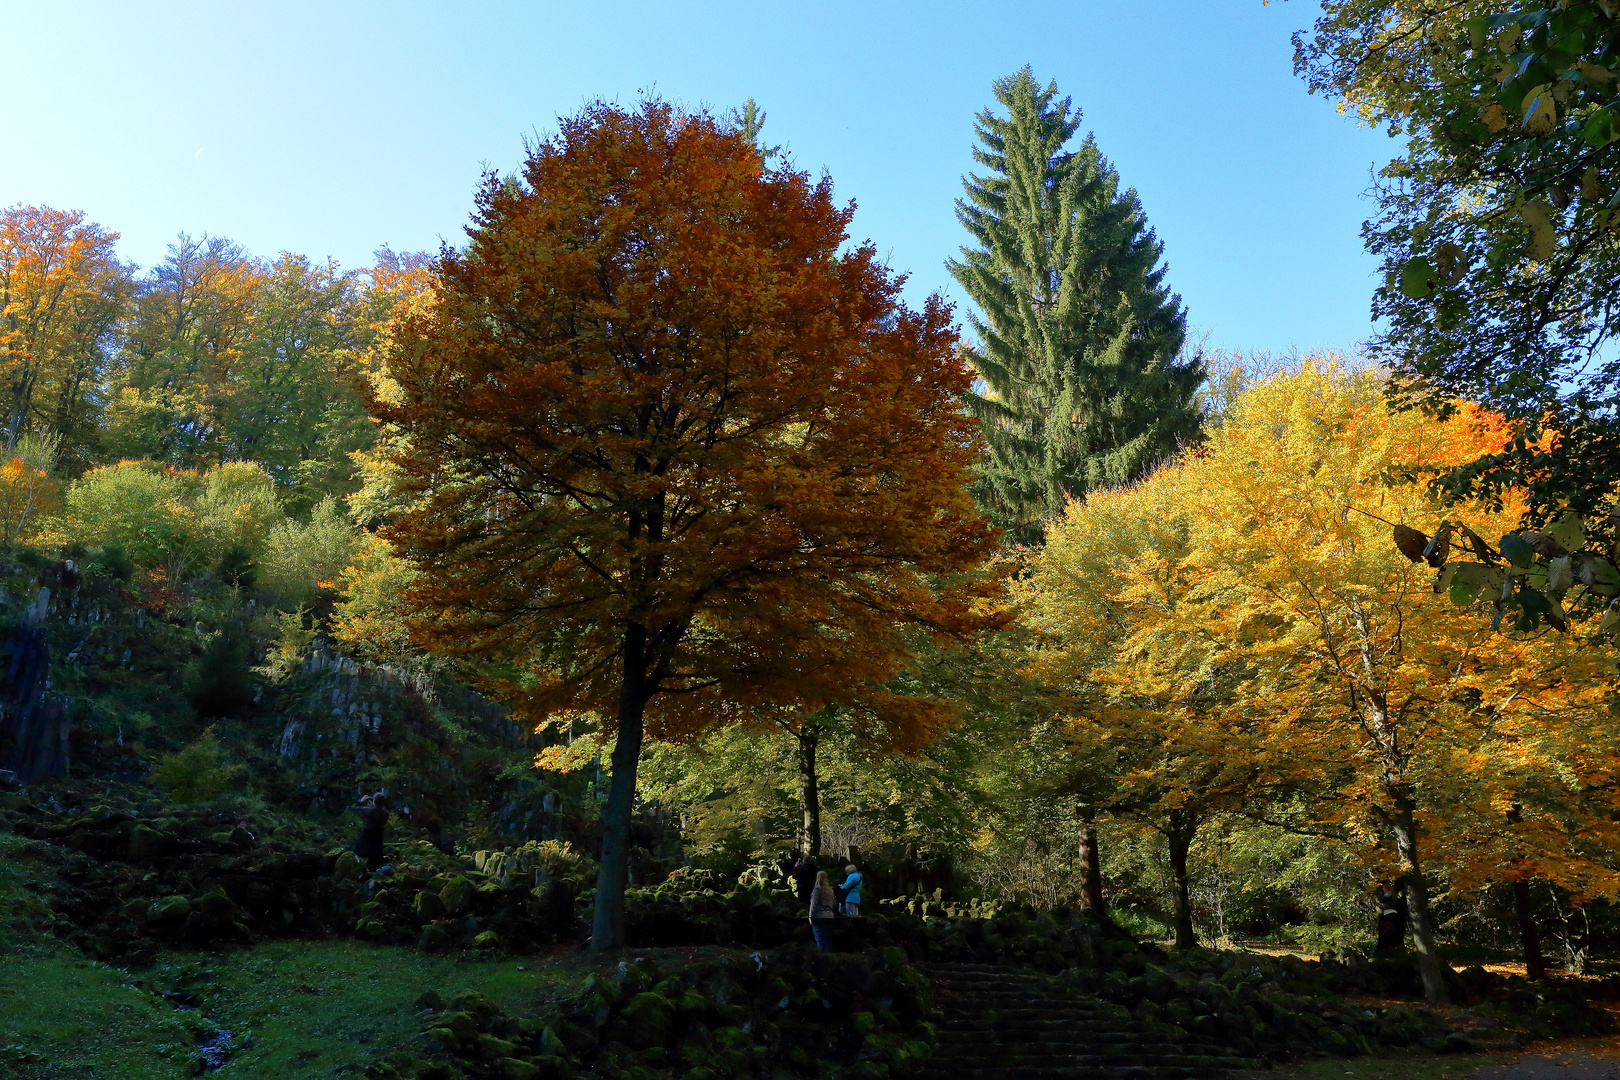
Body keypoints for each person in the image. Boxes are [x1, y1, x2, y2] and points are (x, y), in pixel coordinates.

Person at [354, 792, 390, 871]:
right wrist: (372, 805)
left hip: (367, 838)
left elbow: (353, 808)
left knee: (358, 854)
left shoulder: (368, 811)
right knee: (375, 862)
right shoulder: (386, 814)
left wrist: (362, 801)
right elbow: (377, 811)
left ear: (374, 801)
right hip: (378, 840)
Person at [808, 869, 837, 952]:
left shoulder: (817, 890)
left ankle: (823, 958)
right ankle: (830, 958)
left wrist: (810, 916)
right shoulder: (831, 890)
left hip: (819, 916)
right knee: (828, 938)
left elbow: (813, 904)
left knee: (820, 938)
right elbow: (834, 903)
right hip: (830, 916)